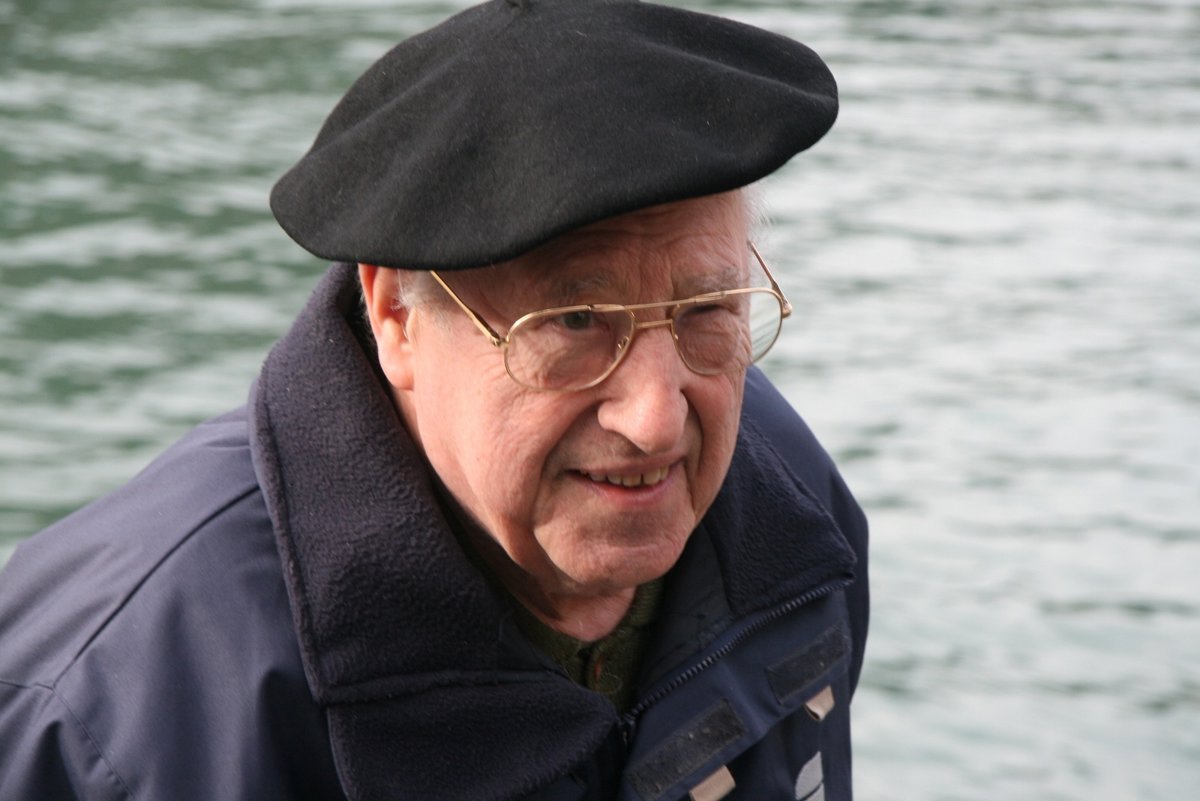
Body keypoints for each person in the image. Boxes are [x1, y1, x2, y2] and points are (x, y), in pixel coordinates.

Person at [0, 1, 869, 799]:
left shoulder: (792, 513)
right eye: (573, 321)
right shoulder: (111, 711)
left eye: (706, 311)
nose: (654, 419)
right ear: (395, 317)